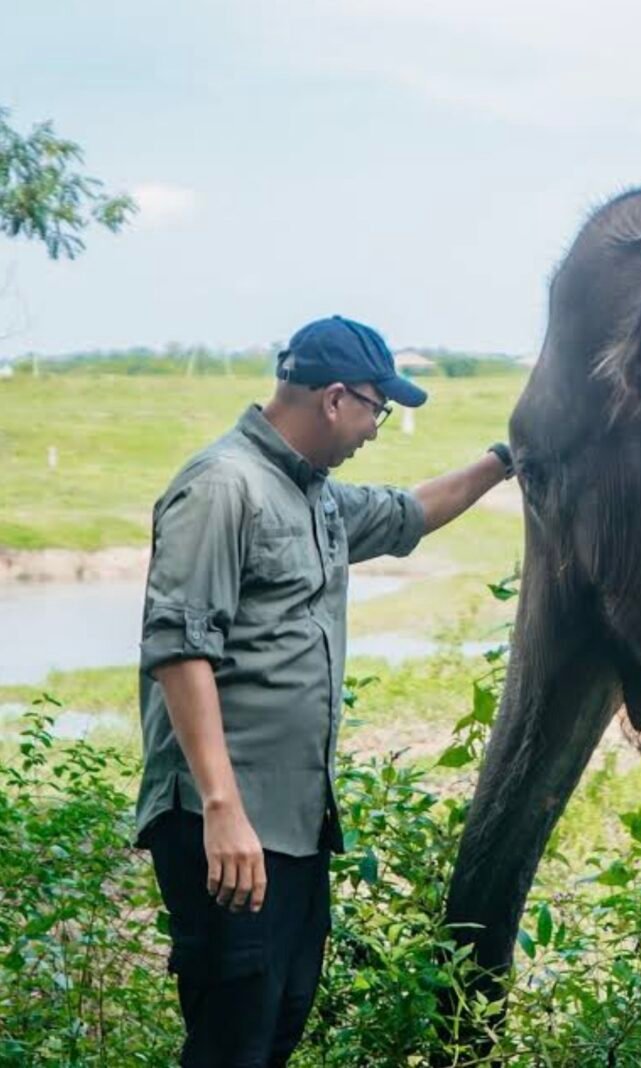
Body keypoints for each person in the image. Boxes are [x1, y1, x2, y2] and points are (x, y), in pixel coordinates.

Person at [135, 315, 515, 1067]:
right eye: (379, 407)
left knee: (275, 1027)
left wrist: (507, 460)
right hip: (228, 829)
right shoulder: (222, 487)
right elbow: (180, 650)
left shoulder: (317, 499)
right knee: (230, 1041)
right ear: (336, 398)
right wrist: (222, 809)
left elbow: (412, 513)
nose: (379, 426)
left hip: (293, 828)